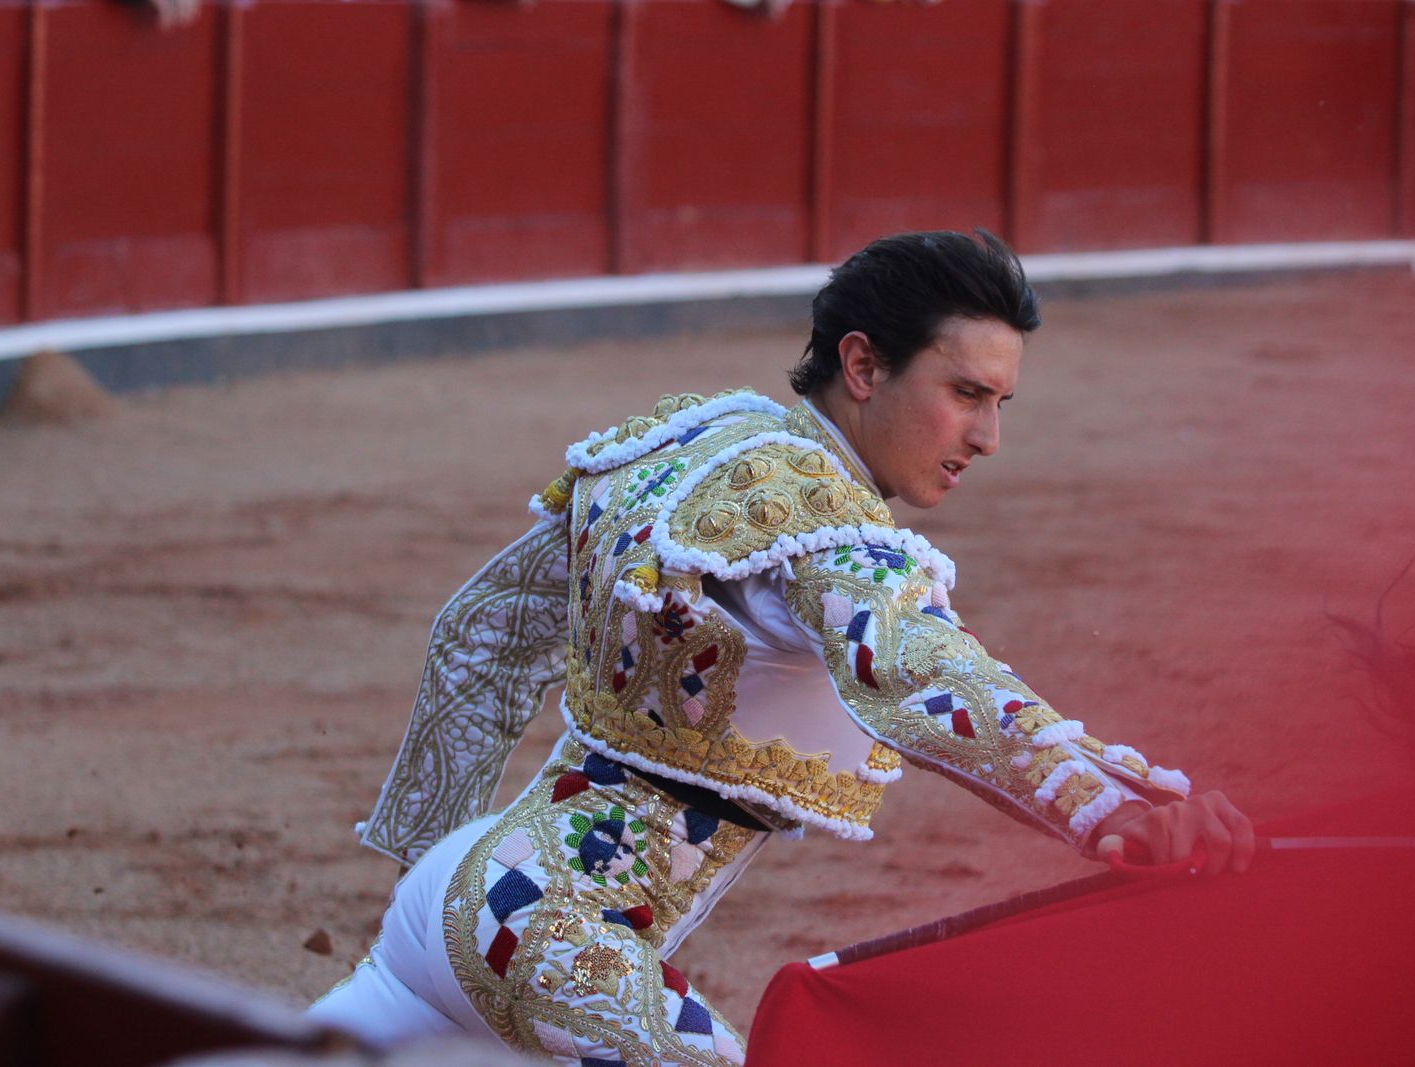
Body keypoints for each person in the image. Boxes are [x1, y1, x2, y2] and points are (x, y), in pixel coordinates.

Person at [309, 230, 1255, 1062]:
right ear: (863, 365)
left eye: (1000, 400)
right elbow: (919, 668)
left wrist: (429, 870)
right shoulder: (817, 521)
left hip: (456, 903)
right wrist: (1108, 809)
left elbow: (485, 630)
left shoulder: (700, 436)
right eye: (965, 393)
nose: (989, 435)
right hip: (558, 941)